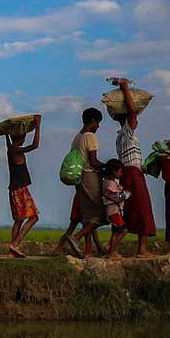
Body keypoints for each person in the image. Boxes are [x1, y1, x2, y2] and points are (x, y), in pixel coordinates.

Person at [107, 77, 157, 258]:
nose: (136, 121)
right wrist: (125, 87)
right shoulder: (126, 133)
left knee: (128, 212)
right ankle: (141, 251)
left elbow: (132, 113)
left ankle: (112, 250)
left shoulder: (122, 136)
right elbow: (133, 112)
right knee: (142, 209)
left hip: (130, 175)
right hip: (132, 176)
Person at [59, 108, 107, 257]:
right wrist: (107, 166)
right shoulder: (90, 137)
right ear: (92, 121)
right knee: (99, 214)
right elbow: (93, 162)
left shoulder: (76, 138)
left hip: (79, 179)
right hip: (90, 177)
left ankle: (88, 250)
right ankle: (76, 238)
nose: (98, 126)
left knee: (87, 216)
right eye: (98, 123)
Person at [4, 117, 41, 257]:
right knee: (33, 218)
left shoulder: (11, 149)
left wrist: (6, 133)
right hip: (20, 189)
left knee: (19, 220)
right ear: (22, 137)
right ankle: (15, 244)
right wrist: (38, 126)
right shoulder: (16, 150)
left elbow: (8, 141)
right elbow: (35, 145)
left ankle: (11, 252)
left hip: (14, 189)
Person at [100, 159, 129, 257]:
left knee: (115, 232)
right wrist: (119, 198)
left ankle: (110, 251)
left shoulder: (107, 181)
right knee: (123, 230)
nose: (121, 174)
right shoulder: (111, 183)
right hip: (113, 210)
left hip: (112, 210)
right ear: (114, 171)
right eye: (120, 171)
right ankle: (111, 250)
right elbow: (107, 194)